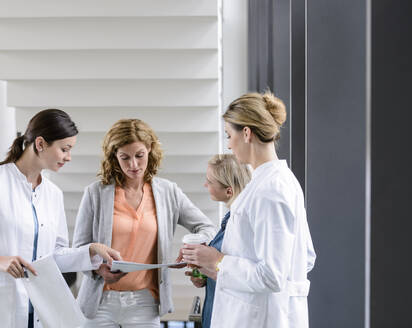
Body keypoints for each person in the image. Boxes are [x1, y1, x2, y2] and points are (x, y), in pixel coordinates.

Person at [0, 109, 121, 328]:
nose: (69, 157)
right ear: (40, 144)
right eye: (64, 149)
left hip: (37, 309)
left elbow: (53, 256)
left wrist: (90, 251)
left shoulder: (53, 194)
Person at [181, 92, 316, 327]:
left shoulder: (271, 190)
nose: (229, 144)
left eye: (229, 135)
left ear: (246, 133)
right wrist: (212, 265)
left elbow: (272, 275)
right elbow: (304, 259)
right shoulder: (272, 182)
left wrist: (219, 262)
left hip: (260, 318)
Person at [72, 118, 216, 327]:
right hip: (99, 303)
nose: (133, 165)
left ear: (149, 149)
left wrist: (192, 248)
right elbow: (78, 250)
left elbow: (207, 228)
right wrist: (97, 269)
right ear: (114, 156)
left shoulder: (169, 192)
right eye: (125, 157)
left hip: (145, 303)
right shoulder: (95, 194)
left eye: (139, 155)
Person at [185, 154, 250, 328]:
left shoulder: (243, 225)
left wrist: (212, 264)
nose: (205, 185)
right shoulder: (229, 219)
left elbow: (243, 274)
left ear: (229, 190)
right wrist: (204, 274)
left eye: (210, 182)